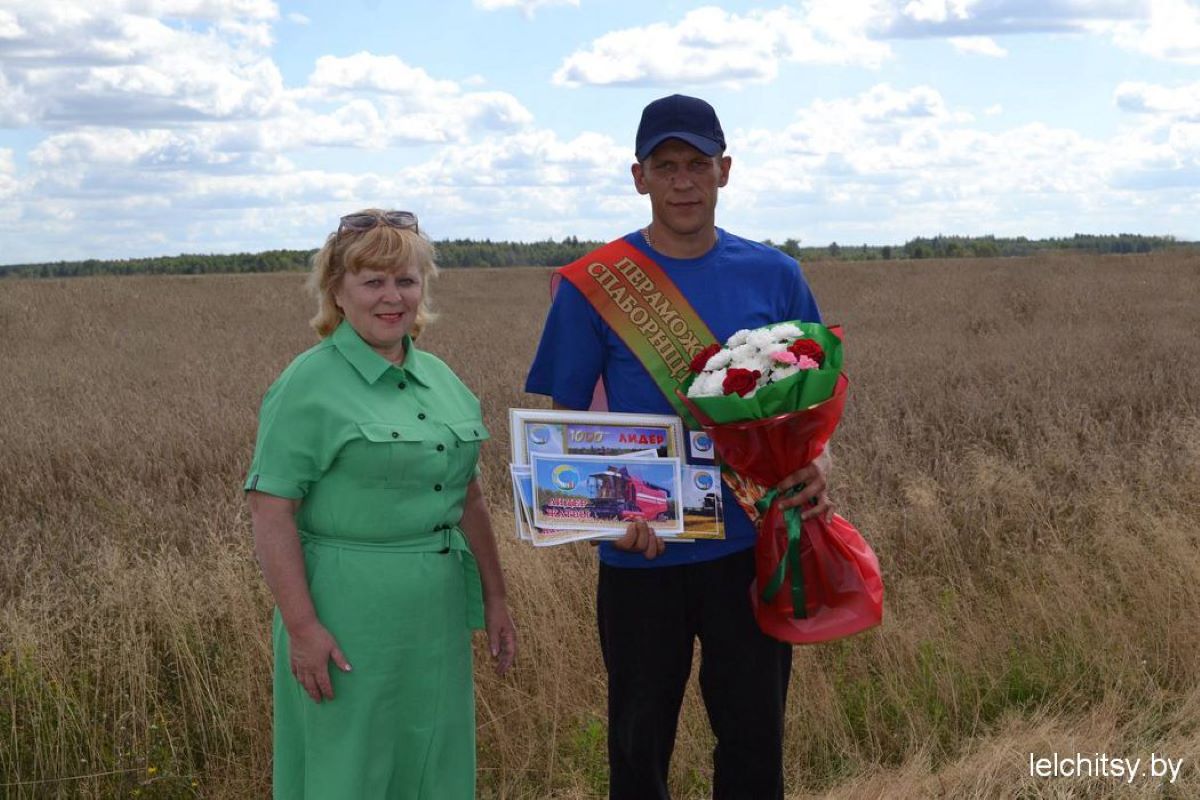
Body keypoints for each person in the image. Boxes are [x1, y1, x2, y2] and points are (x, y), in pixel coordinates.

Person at [525, 95, 831, 799]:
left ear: (726, 169)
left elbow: (811, 406)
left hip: (750, 549)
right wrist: (604, 518)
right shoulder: (595, 284)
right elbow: (567, 432)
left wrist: (819, 463)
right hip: (642, 554)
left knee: (755, 742)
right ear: (639, 177)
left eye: (698, 162)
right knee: (638, 748)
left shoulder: (776, 275)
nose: (683, 181)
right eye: (665, 166)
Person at [245, 209, 516, 799]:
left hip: (436, 615)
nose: (392, 297)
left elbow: (469, 496)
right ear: (337, 291)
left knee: (433, 763)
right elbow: (271, 512)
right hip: (346, 615)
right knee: (348, 769)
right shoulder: (307, 384)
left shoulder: (443, 379)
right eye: (372, 281)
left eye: (406, 280)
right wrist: (303, 628)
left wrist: (495, 597)